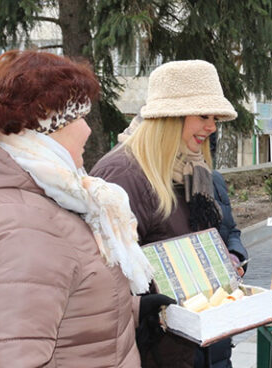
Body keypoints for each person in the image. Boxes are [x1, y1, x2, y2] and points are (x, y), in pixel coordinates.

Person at [0, 50, 172, 367]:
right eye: (78, 117)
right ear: (46, 124)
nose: (88, 130)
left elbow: (52, 310)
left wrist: (132, 312)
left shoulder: (38, 197)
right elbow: (11, 356)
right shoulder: (20, 225)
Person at [90, 60, 248, 368]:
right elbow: (101, 277)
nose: (212, 127)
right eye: (203, 116)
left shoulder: (195, 169)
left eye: (215, 118)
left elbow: (214, 236)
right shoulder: (123, 175)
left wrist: (225, 260)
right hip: (156, 352)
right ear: (170, 118)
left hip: (205, 344)